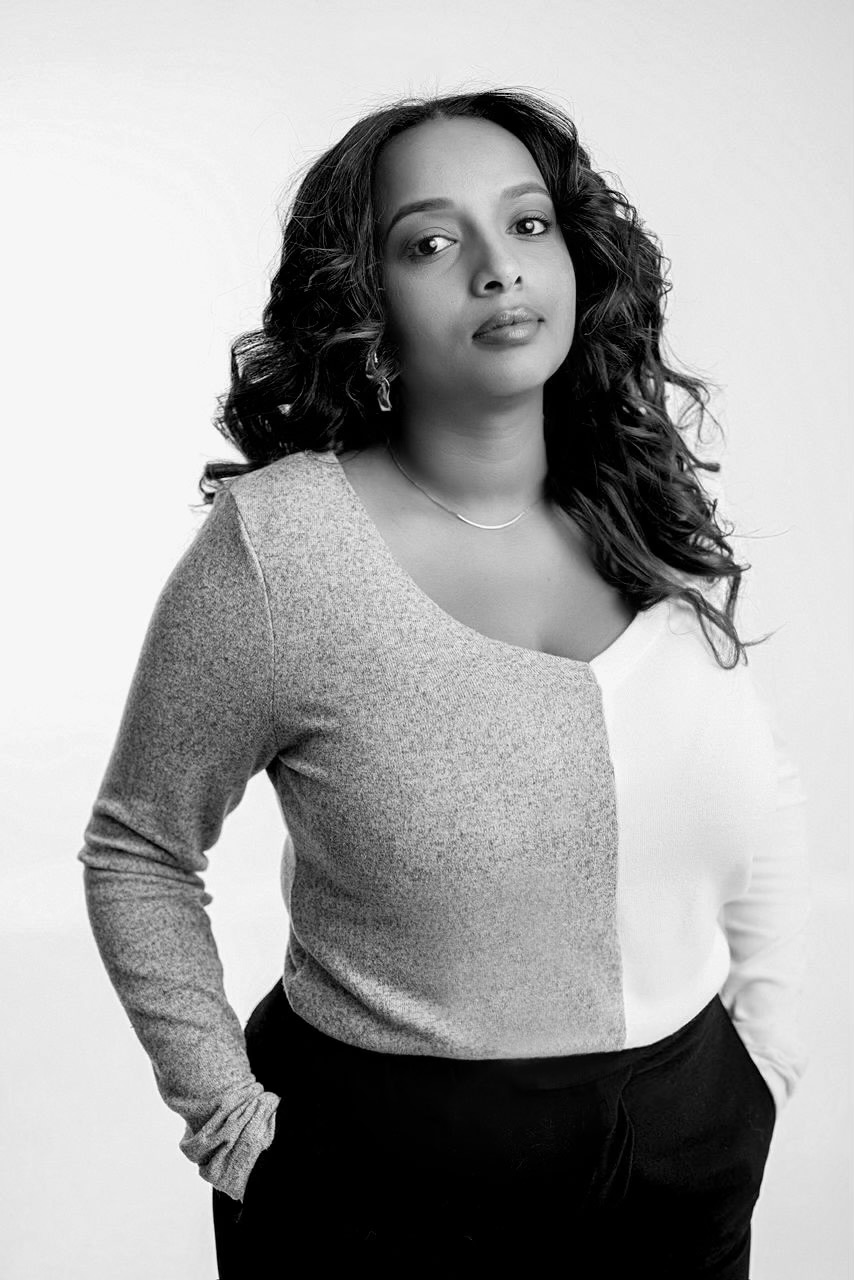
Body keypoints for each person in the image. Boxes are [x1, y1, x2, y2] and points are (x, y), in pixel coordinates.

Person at [78, 87, 811, 1278]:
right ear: (363, 298)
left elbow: (755, 791)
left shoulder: (640, 502)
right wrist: (235, 1126)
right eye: (429, 242)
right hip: (373, 1182)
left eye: (526, 224)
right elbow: (137, 846)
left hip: (679, 1161)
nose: (495, 267)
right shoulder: (282, 547)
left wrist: (760, 1064)